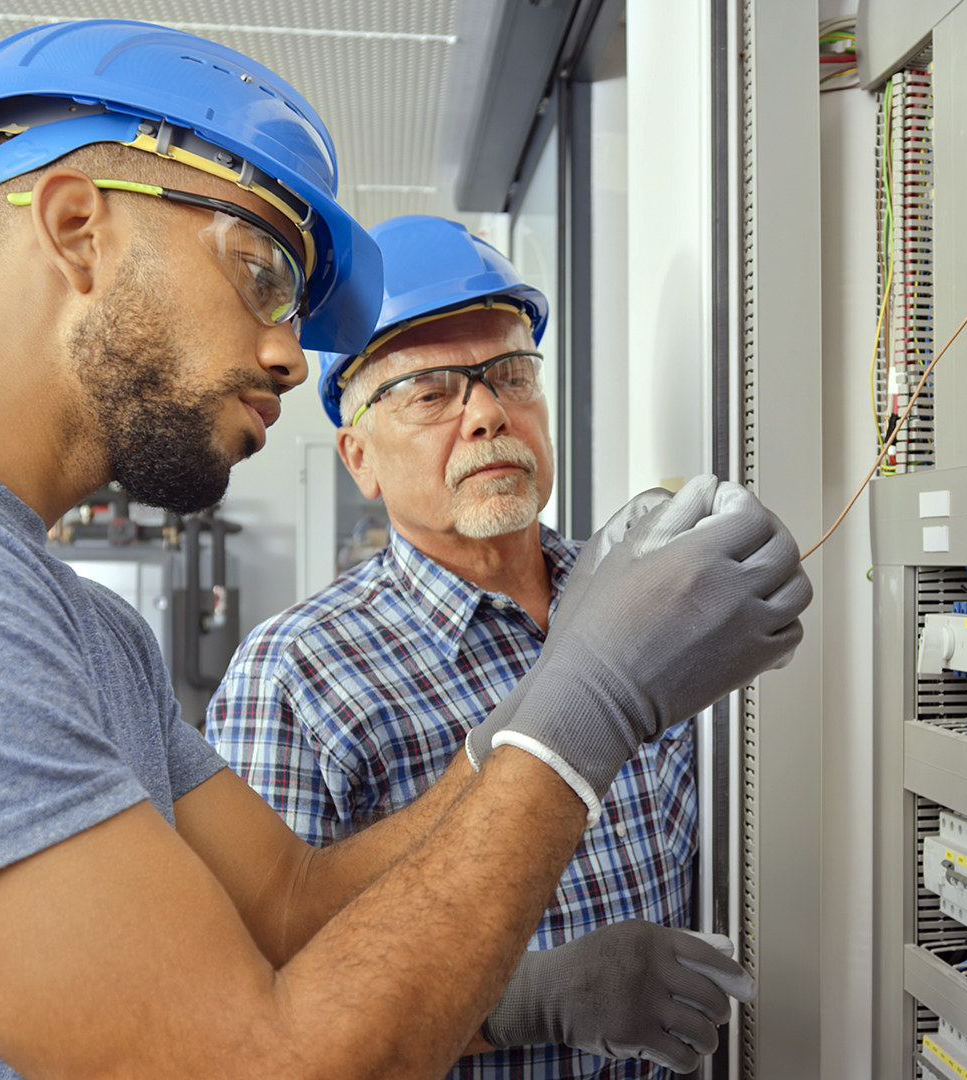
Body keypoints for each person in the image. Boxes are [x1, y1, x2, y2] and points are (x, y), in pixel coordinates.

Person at [0, 21, 812, 1080]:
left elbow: (289, 904)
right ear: (75, 226)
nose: (290, 358)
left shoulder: (77, 621)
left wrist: (561, 687)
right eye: (262, 272)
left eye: (508, 377)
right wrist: (584, 710)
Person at [209, 214, 699, 1080]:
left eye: (510, 374)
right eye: (432, 393)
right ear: (359, 456)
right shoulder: (295, 677)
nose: (485, 413)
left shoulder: (644, 598)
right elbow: (260, 997)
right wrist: (527, 1000)